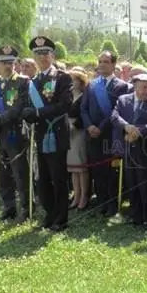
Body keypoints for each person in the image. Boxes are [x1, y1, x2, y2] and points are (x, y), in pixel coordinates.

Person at [22, 36, 73, 231]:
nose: (42, 57)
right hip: (40, 134)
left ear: (52, 55)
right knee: (42, 179)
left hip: (57, 133)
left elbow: (65, 104)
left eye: (45, 53)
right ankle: (49, 214)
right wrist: (28, 115)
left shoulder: (62, 77)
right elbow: (28, 105)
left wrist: (38, 112)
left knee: (58, 178)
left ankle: (61, 218)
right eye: (38, 53)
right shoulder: (33, 81)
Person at [0, 45, 31, 223]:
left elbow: (18, 108)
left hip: (15, 133)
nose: (7, 65)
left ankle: (26, 207)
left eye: (10, 62)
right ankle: (8, 207)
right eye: (4, 63)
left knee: (20, 173)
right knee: (2, 173)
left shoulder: (22, 82)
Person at [81, 51, 129, 217]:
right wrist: (89, 126)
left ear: (114, 64)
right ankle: (101, 202)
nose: (102, 64)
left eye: (106, 61)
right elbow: (83, 108)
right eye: (100, 61)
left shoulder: (122, 86)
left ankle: (112, 204)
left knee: (111, 171)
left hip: (110, 135)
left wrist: (100, 127)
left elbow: (115, 112)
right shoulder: (92, 84)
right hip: (93, 135)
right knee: (97, 170)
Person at [111, 74, 147, 227]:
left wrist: (138, 132)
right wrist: (127, 127)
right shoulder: (123, 100)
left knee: (146, 183)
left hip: (146, 150)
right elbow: (114, 116)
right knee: (131, 181)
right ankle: (136, 216)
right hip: (128, 149)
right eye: (144, 87)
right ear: (135, 86)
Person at [67, 68, 90, 210]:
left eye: (73, 79)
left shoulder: (85, 96)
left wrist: (74, 125)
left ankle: (84, 196)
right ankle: (76, 195)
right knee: (73, 168)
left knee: (81, 167)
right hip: (67, 132)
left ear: (80, 81)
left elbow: (85, 113)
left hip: (79, 132)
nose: (70, 82)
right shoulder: (68, 95)